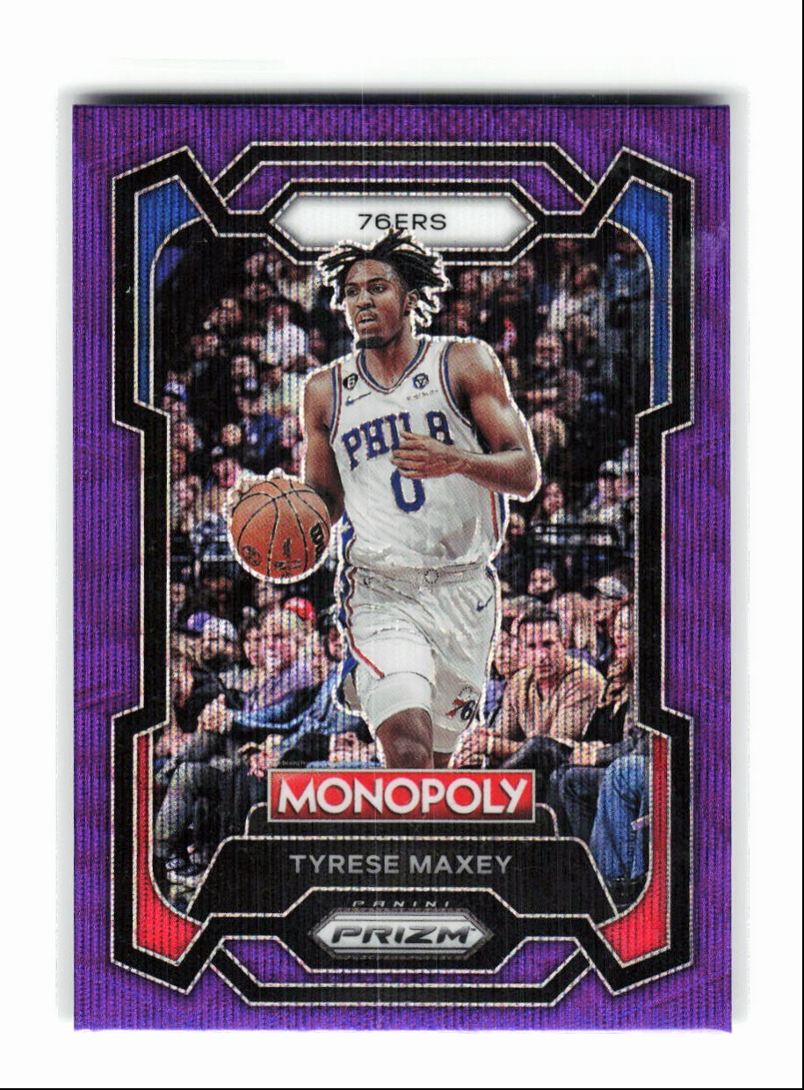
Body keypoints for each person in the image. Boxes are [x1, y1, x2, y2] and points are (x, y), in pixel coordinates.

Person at [301, 230, 540, 769]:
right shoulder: (325, 391)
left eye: (377, 287)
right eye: (352, 291)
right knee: (407, 747)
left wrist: (457, 460)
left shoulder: (464, 362)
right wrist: (283, 507)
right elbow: (324, 503)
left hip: (464, 589)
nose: (362, 301)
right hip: (381, 589)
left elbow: (525, 473)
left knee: (435, 758)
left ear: (409, 299)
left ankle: (411, 825)